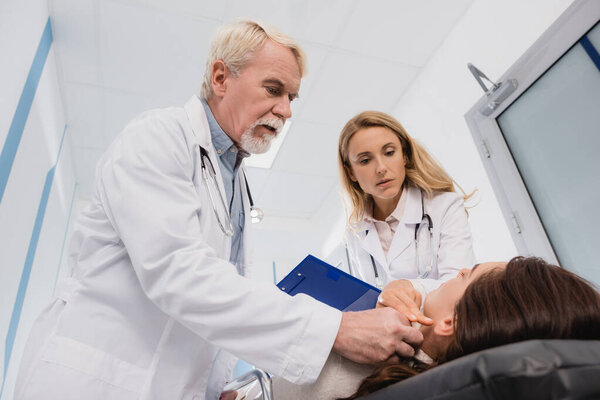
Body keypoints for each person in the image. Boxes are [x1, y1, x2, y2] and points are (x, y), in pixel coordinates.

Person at [14, 20, 422, 400]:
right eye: (274, 89)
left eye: (292, 97)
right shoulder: (158, 138)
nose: (287, 110)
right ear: (221, 77)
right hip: (94, 382)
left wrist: (214, 388)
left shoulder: (237, 183)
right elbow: (177, 273)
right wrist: (336, 329)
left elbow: (211, 306)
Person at [273, 256, 600, 400]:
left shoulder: (363, 361)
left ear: (450, 324)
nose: (457, 270)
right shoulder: (420, 371)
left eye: (465, 276)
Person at [338, 111, 476, 325]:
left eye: (389, 152)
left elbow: (460, 285)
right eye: (365, 160)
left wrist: (408, 288)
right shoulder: (355, 231)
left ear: (405, 156)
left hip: (445, 331)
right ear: (351, 173)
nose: (381, 168)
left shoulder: (445, 205)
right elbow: (368, 297)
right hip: (391, 342)